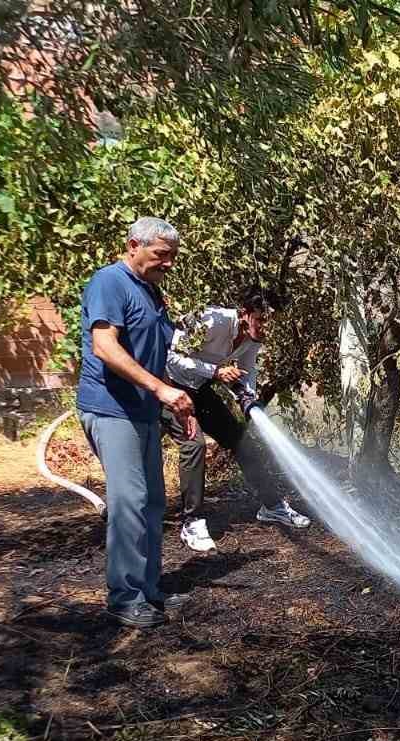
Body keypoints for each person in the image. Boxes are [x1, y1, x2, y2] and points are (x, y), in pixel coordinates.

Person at [76, 217, 198, 628]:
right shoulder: (110, 282)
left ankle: (149, 591)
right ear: (133, 245)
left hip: (144, 410)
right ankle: (124, 598)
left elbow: (151, 357)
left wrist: (176, 401)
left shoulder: (151, 292)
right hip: (112, 408)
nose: (168, 263)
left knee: (153, 502)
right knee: (129, 500)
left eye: (172, 257)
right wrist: (161, 391)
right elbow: (105, 347)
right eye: (161, 255)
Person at [163, 286, 310, 552]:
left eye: (272, 322)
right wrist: (215, 371)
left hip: (200, 388)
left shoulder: (253, 338)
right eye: (262, 319)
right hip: (168, 386)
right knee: (194, 445)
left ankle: (272, 506)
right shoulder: (210, 319)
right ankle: (192, 521)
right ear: (244, 313)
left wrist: (247, 396)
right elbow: (171, 358)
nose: (267, 327)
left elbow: (247, 369)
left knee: (242, 441)